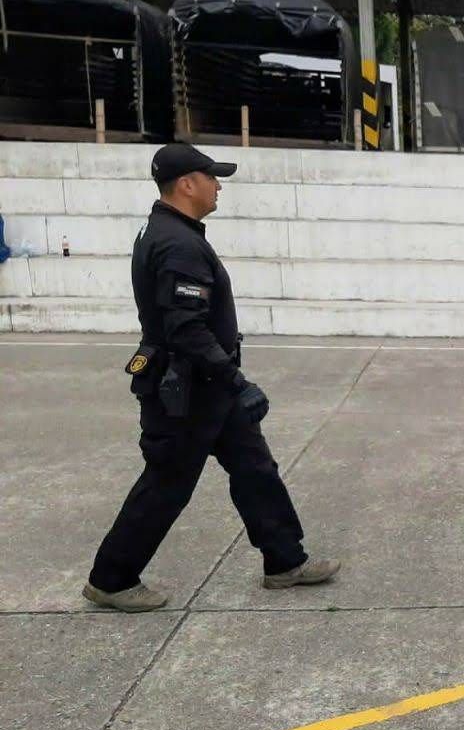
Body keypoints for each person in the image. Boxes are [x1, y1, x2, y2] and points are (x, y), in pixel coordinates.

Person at [83, 144, 338, 612]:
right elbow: (186, 328)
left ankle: (284, 561)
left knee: (254, 468)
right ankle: (112, 578)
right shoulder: (178, 243)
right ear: (187, 184)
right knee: (167, 483)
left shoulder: (169, 231)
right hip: (189, 391)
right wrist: (236, 381)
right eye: (212, 177)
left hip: (206, 387)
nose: (218, 186)